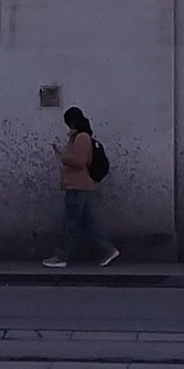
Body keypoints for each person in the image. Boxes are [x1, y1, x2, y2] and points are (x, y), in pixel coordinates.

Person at [43, 106, 117, 269]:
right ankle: (107, 250)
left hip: (78, 186)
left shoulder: (82, 138)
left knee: (69, 223)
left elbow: (80, 161)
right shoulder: (77, 137)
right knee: (88, 223)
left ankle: (61, 256)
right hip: (78, 186)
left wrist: (63, 156)